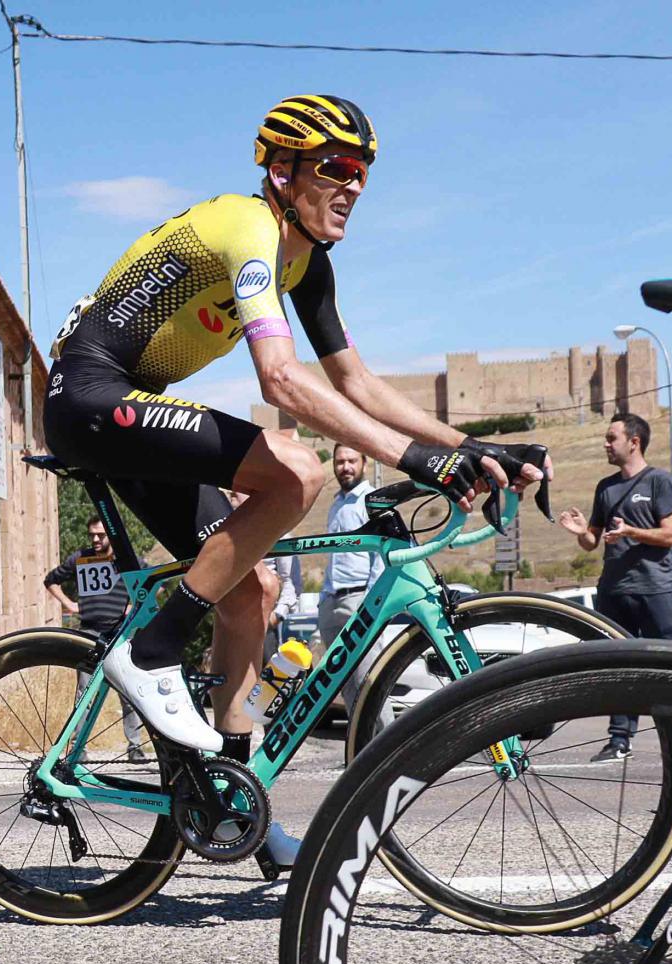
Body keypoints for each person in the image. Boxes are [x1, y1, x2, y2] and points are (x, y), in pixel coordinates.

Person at [43, 94, 544, 756]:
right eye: (336, 168)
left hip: (132, 409)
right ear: (283, 172)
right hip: (88, 397)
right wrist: (411, 458)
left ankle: (228, 776)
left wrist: (469, 446)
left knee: (254, 592)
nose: (354, 187)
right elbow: (279, 378)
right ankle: (152, 650)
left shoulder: (307, 263)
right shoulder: (248, 226)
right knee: (297, 471)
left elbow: (356, 382)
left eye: (361, 173)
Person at [556, 411, 672, 761]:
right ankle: (619, 741)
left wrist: (631, 531)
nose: (605, 444)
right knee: (618, 667)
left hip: (654, 589)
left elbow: (669, 536)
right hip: (613, 591)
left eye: (611, 438)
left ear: (634, 442)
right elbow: (592, 542)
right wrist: (580, 532)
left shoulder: (659, 481)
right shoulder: (606, 487)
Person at [44, 516, 147, 760]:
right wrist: (69, 604)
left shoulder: (127, 559)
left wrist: (134, 605)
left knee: (128, 691)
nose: (96, 539)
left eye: (101, 535)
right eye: (92, 535)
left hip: (121, 633)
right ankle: (78, 748)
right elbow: (51, 580)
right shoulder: (80, 558)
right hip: (89, 633)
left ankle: (135, 747)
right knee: (85, 692)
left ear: (111, 535)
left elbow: (153, 582)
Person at [319, 444, 382, 700]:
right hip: (331, 603)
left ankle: (386, 730)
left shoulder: (373, 500)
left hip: (359, 601)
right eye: (340, 462)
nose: (345, 467)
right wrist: (323, 599)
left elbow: (382, 556)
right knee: (346, 689)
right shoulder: (335, 505)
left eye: (351, 461)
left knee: (370, 685)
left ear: (364, 463)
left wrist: (370, 601)